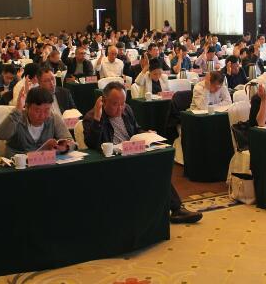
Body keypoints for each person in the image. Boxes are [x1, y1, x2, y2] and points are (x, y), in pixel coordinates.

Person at [83, 82, 202, 224]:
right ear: (103, 101)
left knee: (158, 167)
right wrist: (97, 119)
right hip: (113, 161)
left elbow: (135, 129)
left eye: (123, 103)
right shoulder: (92, 116)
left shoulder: (127, 110)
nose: (120, 108)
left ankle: (176, 209)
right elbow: (91, 144)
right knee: (149, 170)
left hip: (133, 153)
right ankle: (171, 210)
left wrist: (146, 133)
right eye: (115, 104)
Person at [0, 87, 74, 157]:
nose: (42, 115)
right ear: (27, 107)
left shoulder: (53, 118)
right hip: (18, 165)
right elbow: (0, 135)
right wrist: (17, 110)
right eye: (37, 111)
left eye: (47, 110)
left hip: (45, 163)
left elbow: (70, 141)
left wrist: (64, 147)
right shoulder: (17, 118)